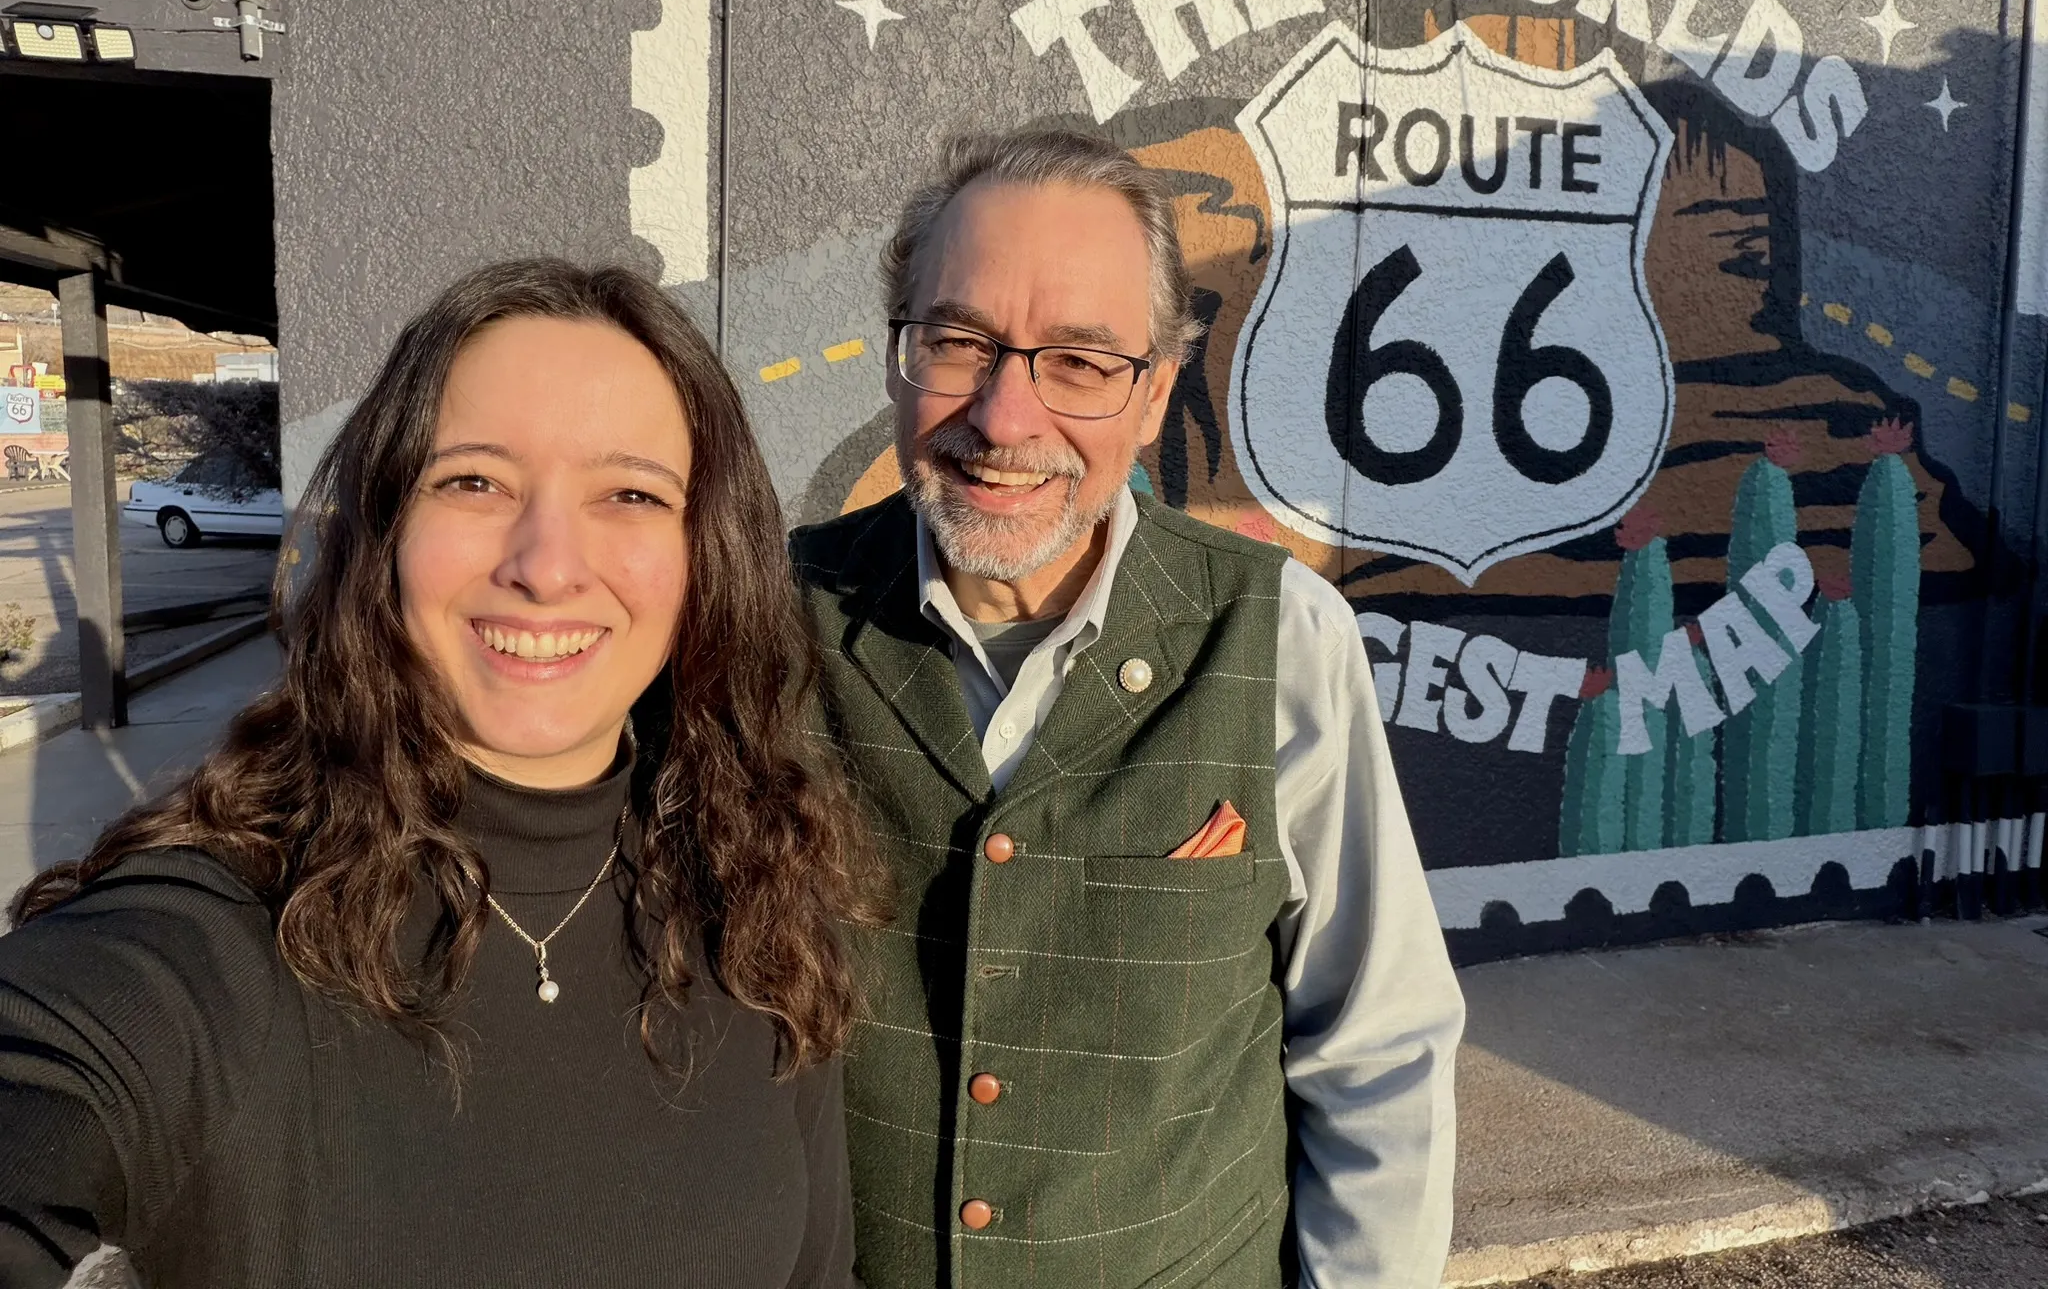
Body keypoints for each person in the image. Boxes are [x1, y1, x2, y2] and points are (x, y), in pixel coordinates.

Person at [0, 260, 877, 1289]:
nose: (546, 565)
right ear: (383, 531)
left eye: (630, 494)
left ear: (706, 557)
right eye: (474, 482)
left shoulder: (756, 904)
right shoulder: (215, 944)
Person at [792, 130, 1466, 1289]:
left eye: (1078, 362)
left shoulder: (1280, 638)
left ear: (1152, 394)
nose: (1005, 419)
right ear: (899, 358)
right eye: (958, 343)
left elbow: (1376, 1049)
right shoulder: (768, 623)